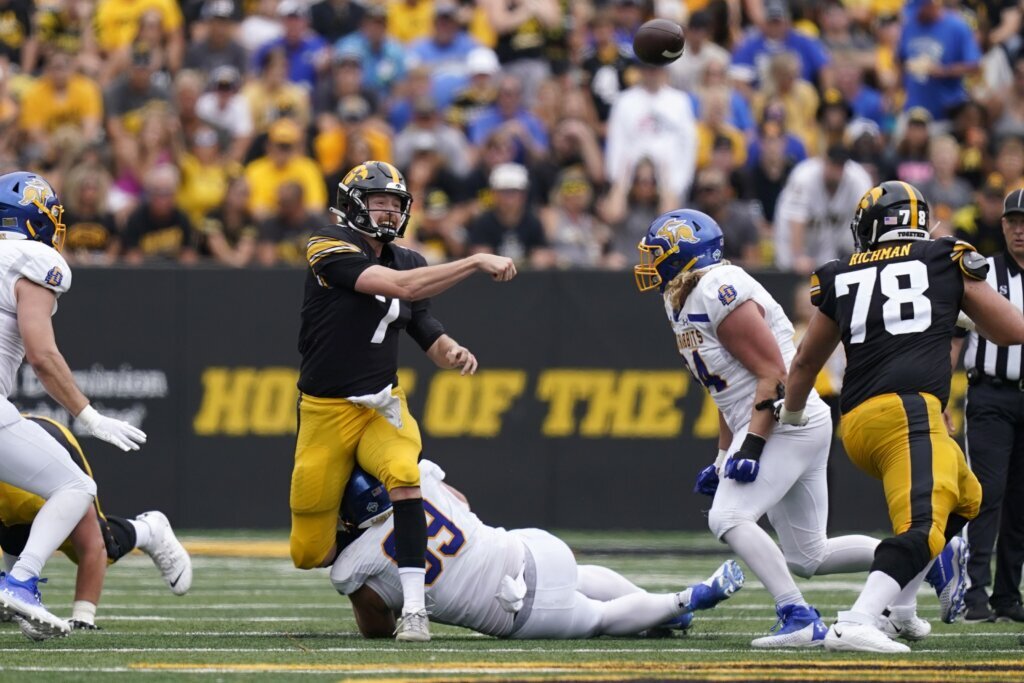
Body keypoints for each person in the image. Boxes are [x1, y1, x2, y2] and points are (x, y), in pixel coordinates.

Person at [634, 209, 897, 649]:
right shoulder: (682, 295)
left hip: (786, 418)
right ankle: (917, 556)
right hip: (781, 419)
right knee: (808, 555)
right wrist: (723, 455)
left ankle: (797, 616)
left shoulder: (718, 287)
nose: (649, 264)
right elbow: (725, 390)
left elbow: (774, 374)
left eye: (657, 254)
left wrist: (752, 447)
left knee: (727, 516)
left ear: (685, 253)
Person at [781, 181, 1024, 652]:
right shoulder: (944, 258)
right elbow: (1012, 330)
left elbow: (805, 362)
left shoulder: (841, 273)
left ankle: (901, 608)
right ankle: (858, 619)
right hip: (907, 411)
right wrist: (959, 309)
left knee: (967, 498)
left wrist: (790, 416)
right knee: (922, 526)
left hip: (859, 422)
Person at [293, 160, 517, 642]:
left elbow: (422, 326)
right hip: (326, 411)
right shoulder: (326, 244)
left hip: (381, 404)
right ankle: (357, 529)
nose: (389, 212)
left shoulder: (409, 259)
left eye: (396, 204)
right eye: (379, 202)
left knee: (405, 475)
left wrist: (450, 350)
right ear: (353, 204)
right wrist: (475, 261)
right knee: (309, 552)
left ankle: (414, 610)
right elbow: (399, 287)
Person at [331, 461, 744, 639]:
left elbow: (378, 629)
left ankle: (682, 600)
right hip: (532, 549)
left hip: (516, 613)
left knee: (599, 618)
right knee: (580, 577)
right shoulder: (417, 475)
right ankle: (664, 611)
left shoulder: (354, 565)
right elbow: (463, 502)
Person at [0, 171, 146, 639]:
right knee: (76, 485)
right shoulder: (34, 258)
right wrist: (88, 415)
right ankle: (21, 582)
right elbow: (42, 355)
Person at [0, 416, 191, 639]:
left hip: (44, 451)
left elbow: (93, 545)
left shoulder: (38, 478)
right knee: (15, 536)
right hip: (15, 461)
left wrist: (83, 616)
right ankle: (16, 592)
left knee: (103, 546)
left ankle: (148, 530)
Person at [953, 188, 1024, 624]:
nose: (1020, 230)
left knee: (1021, 502)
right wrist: (938, 395)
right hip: (991, 396)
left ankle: (1008, 595)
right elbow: (954, 338)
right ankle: (973, 592)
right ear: (1002, 225)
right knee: (985, 494)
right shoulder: (982, 272)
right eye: (1014, 222)